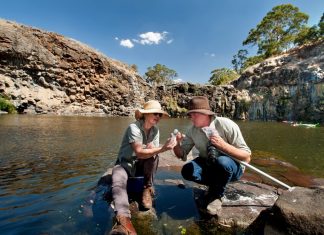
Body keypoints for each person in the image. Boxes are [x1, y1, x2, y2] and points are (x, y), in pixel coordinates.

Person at [173, 96, 251, 215]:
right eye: (190, 114)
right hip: (209, 164)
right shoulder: (192, 130)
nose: (190, 118)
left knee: (223, 162)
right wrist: (175, 144)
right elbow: (181, 155)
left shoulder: (226, 124)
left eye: (194, 114)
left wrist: (223, 145)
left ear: (206, 114)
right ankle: (215, 185)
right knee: (187, 171)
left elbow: (247, 157)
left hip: (232, 168)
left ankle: (216, 195)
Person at [110, 100, 176, 235]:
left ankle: (147, 188)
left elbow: (151, 152)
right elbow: (140, 152)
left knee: (153, 156)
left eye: (159, 114)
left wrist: (157, 149)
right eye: (154, 113)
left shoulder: (155, 130)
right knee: (117, 179)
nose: (157, 117)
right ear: (145, 115)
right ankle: (124, 220)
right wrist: (162, 148)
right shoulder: (133, 128)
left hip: (142, 165)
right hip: (125, 164)